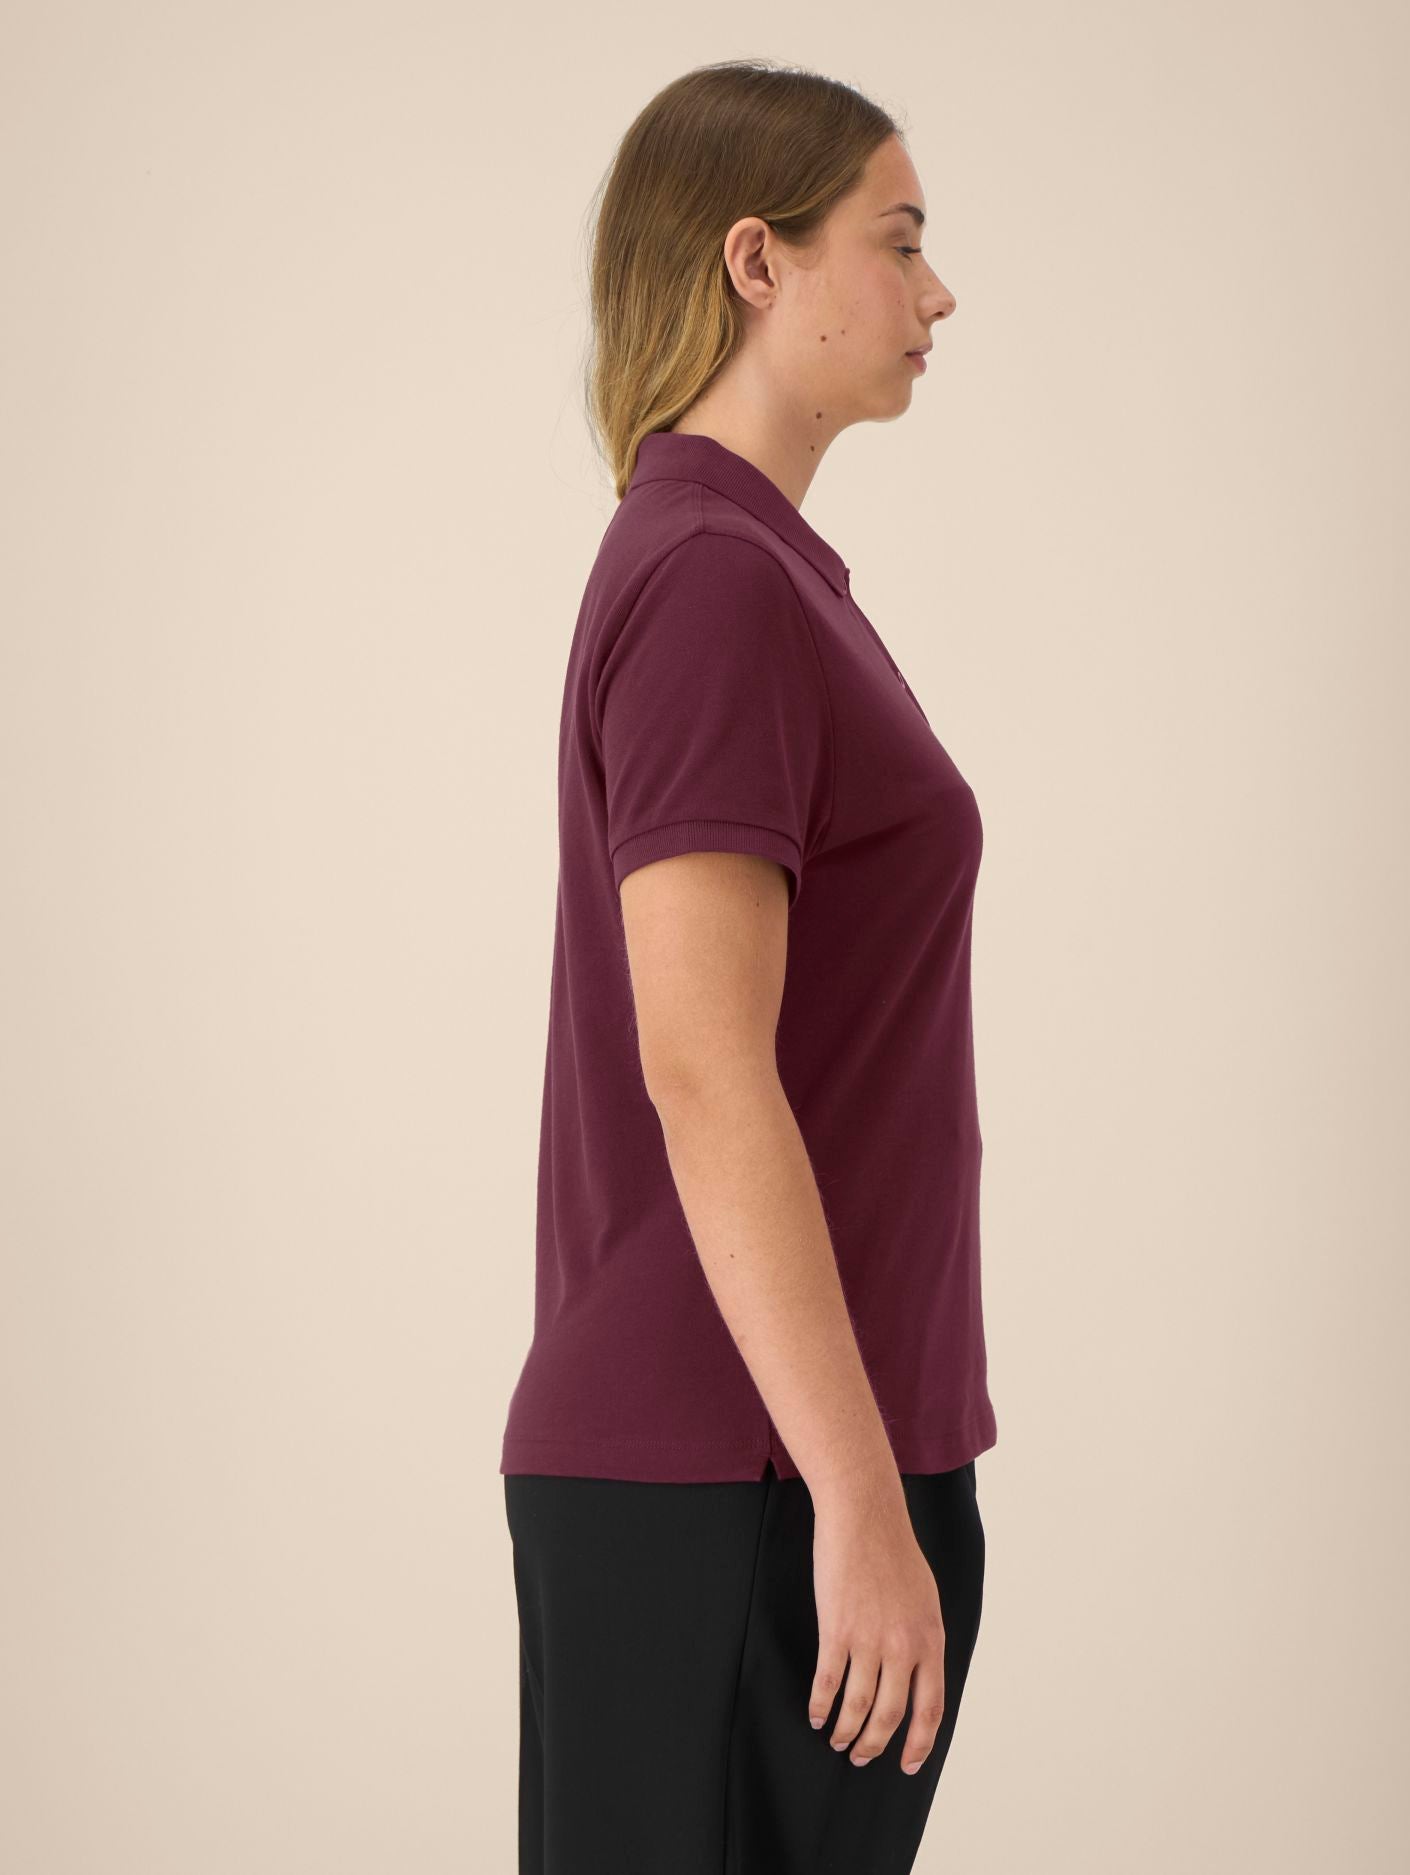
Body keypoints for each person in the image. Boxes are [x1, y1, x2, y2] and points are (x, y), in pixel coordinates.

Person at [499, 58, 995, 1874]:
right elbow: (704, 1064)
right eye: (900, 239)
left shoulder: (759, 573)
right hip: (743, 1475)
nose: (940, 291)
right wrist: (858, 1500)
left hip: (793, 1459)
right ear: (757, 262)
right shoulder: (714, 580)